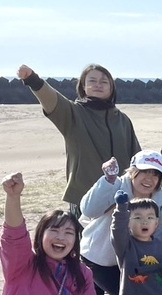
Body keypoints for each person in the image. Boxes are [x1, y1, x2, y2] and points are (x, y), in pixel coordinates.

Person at [16, 64, 141, 214]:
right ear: (83, 86)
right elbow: (53, 100)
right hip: (84, 196)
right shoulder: (73, 114)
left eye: (104, 81)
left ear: (111, 87)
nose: (98, 85)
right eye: (92, 81)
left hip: (121, 197)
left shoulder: (122, 120)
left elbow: (137, 158)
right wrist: (32, 79)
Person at [80, 151, 162, 295]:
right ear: (133, 172)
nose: (149, 179)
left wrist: (151, 262)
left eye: (155, 174)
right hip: (99, 257)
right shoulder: (117, 184)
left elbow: (160, 238)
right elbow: (88, 210)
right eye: (143, 172)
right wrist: (108, 180)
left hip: (136, 262)